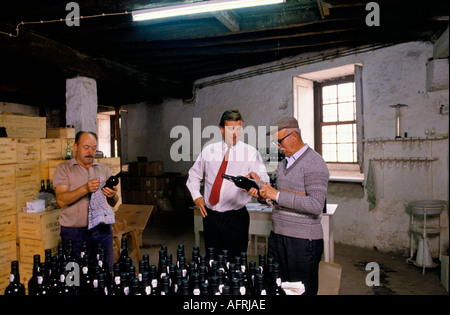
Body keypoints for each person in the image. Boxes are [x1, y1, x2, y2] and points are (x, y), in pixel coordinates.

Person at [258, 117, 329, 295]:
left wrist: (278, 195)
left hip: (302, 242)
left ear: (294, 136)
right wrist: (264, 193)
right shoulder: (283, 164)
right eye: (276, 142)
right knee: (277, 288)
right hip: (278, 237)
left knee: (300, 291)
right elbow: (282, 201)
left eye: (279, 141)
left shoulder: (315, 163)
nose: (277, 146)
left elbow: (315, 205)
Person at [186, 109, 269, 259]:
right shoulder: (209, 151)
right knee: (213, 262)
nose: (235, 133)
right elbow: (194, 174)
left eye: (238, 128)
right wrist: (197, 196)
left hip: (236, 218)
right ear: (222, 129)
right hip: (210, 216)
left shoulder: (250, 152)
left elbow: (264, 178)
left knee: (236, 264)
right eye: (231, 129)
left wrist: (256, 180)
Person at [53, 131, 119, 270]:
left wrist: (112, 195)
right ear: (76, 147)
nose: (90, 152)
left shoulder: (104, 170)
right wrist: (85, 188)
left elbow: (113, 202)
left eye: (94, 148)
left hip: (101, 229)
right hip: (74, 232)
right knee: (75, 276)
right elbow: (61, 200)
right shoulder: (64, 169)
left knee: (105, 272)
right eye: (86, 147)